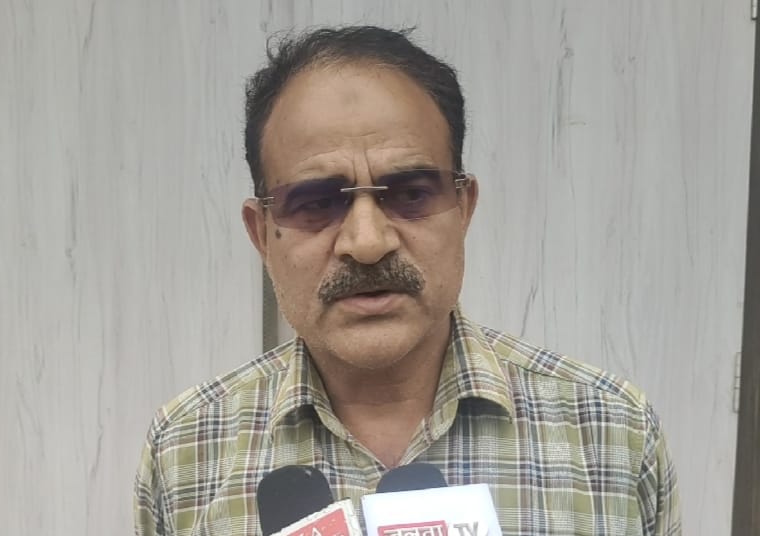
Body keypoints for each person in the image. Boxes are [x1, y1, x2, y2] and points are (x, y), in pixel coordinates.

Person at [134, 25, 681, 535]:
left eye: (411, 194)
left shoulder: (612, 434)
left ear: (463, 208)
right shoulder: (185, 450)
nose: (367, 242)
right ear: (261, 233)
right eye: (317, 203)